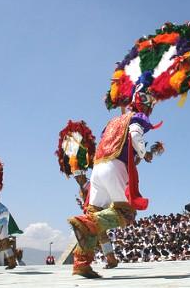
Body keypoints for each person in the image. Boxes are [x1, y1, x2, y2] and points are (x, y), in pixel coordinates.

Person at [68, 91, 157, 278]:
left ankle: (81, 264)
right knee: (126, 213)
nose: (150, 111)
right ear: (144, 106)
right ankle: (84, 222)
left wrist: (137, 155)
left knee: (94, 214)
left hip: (98, 168)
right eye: (150, 107)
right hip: (114, 167)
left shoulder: (112, 122)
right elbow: (134, 135)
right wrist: (144, 153)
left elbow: (116, 144)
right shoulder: (137, 117)